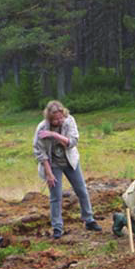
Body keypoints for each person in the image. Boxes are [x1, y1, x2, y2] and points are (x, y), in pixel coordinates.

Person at [32, 100, 102, 239]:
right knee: (55, 196)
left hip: (70, 161)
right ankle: (57, 227)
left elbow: (73, 142)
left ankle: (89, 220)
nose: (59, 121)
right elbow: (39, 152)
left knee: (81, 190)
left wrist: (55, 135)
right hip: (53, 164)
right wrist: (49, 173)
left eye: (60, 118)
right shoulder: (42, 128)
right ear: (49, 118)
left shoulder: (69, 121)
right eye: (55, 119)